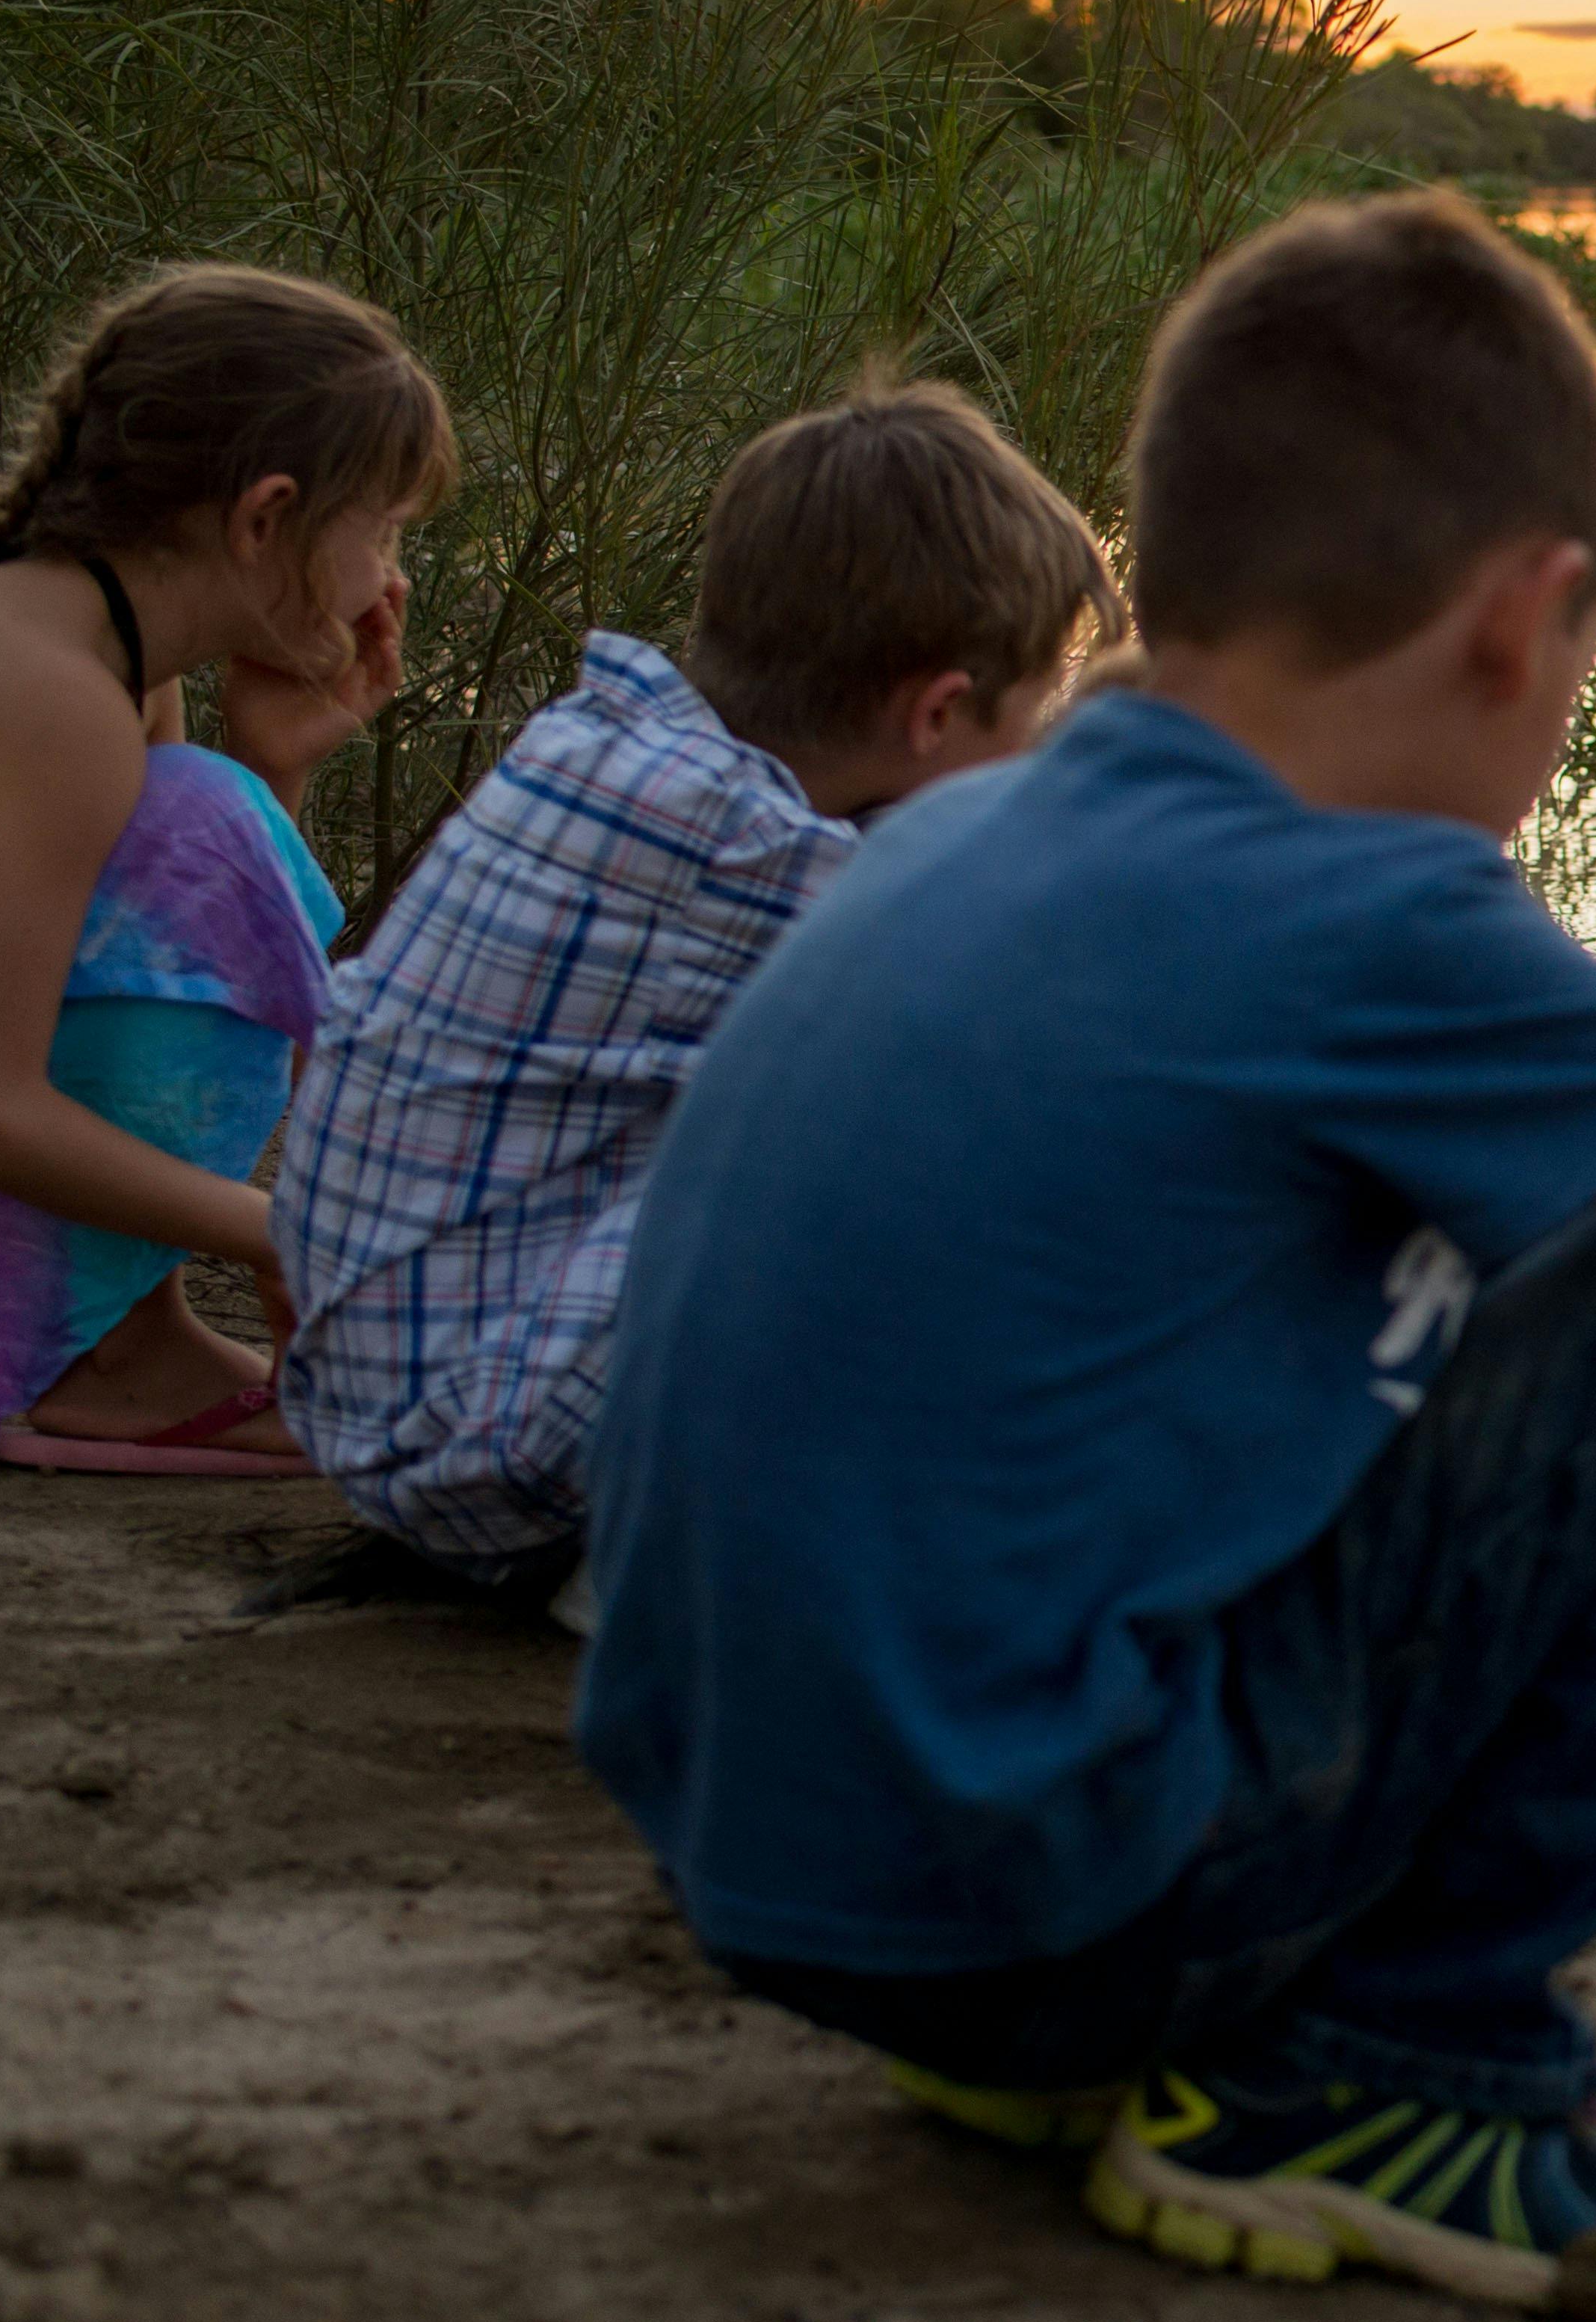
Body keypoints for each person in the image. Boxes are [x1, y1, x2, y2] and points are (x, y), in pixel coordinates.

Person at [576, 190, 1596, 2315]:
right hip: (1029, 1914)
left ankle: (1107, 2042)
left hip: (783, 1877)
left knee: (1585, 1314)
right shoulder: (1363, 909)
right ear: (1523, 620)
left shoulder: (974, 820)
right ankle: (1381, 2060)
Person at [271, 383, 1114, 1595]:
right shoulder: (753, 850)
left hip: (404, 1397)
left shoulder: (602, 747)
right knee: (931, 1127)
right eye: (1033, 719)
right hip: (477, 1453)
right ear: (937, 711)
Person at [0, 265, 437, 1468]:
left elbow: (169, 973)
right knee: (200, 821)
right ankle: (109, 1362)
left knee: (201, 818)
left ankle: (127, 1343)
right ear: (266, 518)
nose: (389, 583)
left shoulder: (91, 652)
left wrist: (273, 765)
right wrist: (291, 1231)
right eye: (385, 531)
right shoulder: (61, 701)